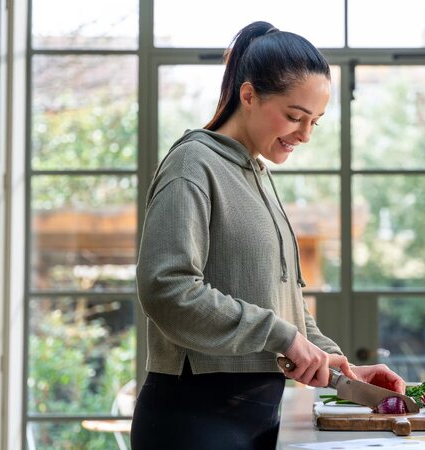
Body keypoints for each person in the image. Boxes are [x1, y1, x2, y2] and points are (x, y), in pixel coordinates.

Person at [130, 21, 406, 450]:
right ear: (248, 95)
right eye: (295, 116)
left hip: (255, 421)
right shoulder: (193, 165)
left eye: (315, 121)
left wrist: (341, 369)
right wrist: (283, 336)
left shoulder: (256, 174)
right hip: (193, 421)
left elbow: (281, 303)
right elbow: (166, 288)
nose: (305, 134)